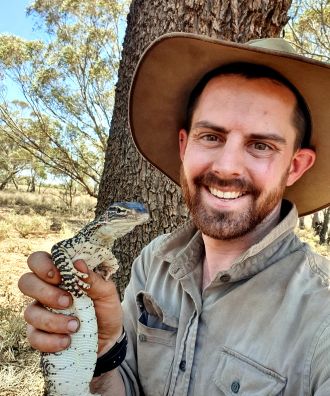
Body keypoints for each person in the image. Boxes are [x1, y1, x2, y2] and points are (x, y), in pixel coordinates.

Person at [18, 34, 330, 395]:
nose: (227, 166)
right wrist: (101, 347)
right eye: (211, 136)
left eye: (261, 145)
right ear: (185, 146)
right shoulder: (153, 263)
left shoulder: (321, 311)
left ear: (295, 166)